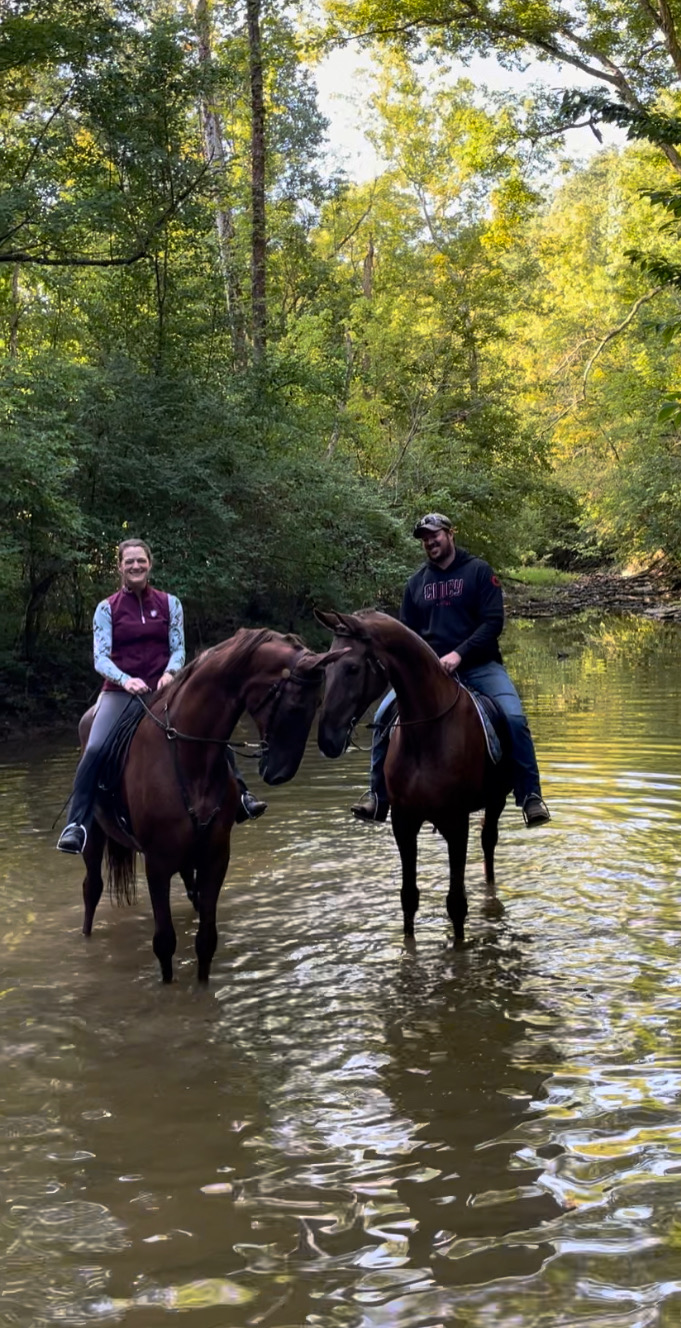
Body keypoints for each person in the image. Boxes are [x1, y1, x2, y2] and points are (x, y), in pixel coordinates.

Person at [57, 539, 267, 854]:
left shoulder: (170, 604)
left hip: (165, 688)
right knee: (96, 748)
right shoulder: (106, 608)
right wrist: (126, 681)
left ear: (150, 564)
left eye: (141, 560)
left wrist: (171, 672)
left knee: (211, 731)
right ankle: (77, 824)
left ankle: (241, 798)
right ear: (120, 567)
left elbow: (178, 647)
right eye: (129, 562)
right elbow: (100, 658)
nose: (135, 566)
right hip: (121, 692)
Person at [351, 513, 551, 828]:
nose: (430, 541)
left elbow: (492, 623)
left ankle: (530, 796)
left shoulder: (479, 572)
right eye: (424, 537)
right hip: (428, 675)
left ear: (450, 534)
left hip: (480, 666)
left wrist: (459, 654)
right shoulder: (415, 584)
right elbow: (408, 636)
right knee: (381, 719)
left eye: (435, 534)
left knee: (514, 717)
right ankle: (377, 796)